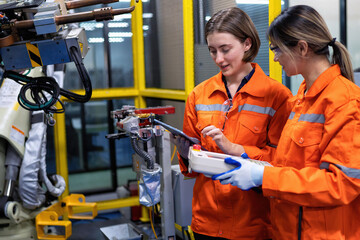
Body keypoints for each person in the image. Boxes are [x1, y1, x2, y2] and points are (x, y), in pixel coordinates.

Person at [213, 5, 360, 240]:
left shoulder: (344, 101)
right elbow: (290, 166)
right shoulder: (301, 99)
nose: (274, 57)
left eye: (277, 49)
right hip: (288, 229)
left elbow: (341, 185)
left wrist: (263, 177)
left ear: (302, 48)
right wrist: (250, 162)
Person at [172, 7, 292, 240]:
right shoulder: (199, 95)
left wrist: (236, 150)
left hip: (254, 226)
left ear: (247, 44)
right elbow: (190, 166)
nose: (219, 59)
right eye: (212, 50)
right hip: (206, 223)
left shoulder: (278, 96)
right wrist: (186, 153)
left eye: (225, 49)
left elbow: (282, 164)